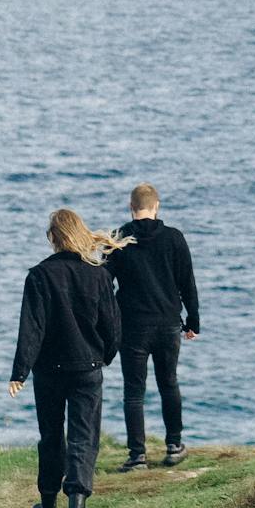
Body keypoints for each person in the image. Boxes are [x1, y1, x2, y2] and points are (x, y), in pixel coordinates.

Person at [9, 208, 126, 508]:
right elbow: (113, 327)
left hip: (48, 372)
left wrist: (20, 372)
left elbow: (31, 329)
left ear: (53, 238)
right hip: (88, 368)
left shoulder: (39, 276)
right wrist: (104, 355)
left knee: (51, 440)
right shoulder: (99, 275)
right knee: (83, 439)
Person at [109, 181, 199, 470]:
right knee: (168, 383)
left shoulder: (119, 239)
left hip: (133, 326)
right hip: (168, 323)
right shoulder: (174, 238)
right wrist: (193, 321)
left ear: (130, 206)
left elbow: (103, 283)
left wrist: (108, 319)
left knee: (134, 392)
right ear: (156, 206)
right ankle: (174, 446)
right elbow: (188, 283)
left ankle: (137, 455)